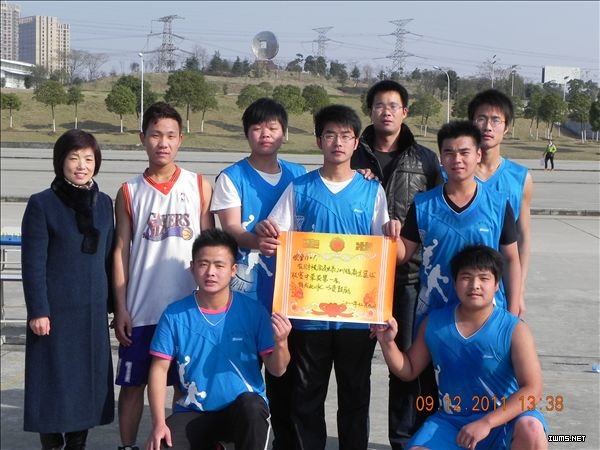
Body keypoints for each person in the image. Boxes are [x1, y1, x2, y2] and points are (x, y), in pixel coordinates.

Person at [256, 104, 401, 450]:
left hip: (357, 318)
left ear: (356, 143)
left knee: (355, 397)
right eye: (330, 135)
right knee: (306, 397)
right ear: (319, 140)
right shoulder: (300, 189)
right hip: (309, 318)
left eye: (346, 136)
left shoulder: (372, 191)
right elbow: (276, 238)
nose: (338, 142)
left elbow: (381, 253)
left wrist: (392, 232)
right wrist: (267, 237)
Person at [371, 245, 547, 450]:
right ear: (454, 284)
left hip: (504, 419)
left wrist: (487, 422)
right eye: (466, 277)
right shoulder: (435, 323)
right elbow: (408, 370)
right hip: (452, 421)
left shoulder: (514, 329)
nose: (475, 285)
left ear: (497, 285)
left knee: (531, 429)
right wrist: (387, 342)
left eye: (484, 278)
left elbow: (533, 390)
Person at [113, 102, 214, 450]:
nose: (163, 143)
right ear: (142, 137)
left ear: (181, 139)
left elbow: (211, 251)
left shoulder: (199, 185)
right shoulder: (129, 191)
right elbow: (120, 251)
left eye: (170, 135)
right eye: (155, 135)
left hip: (188, 309)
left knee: (184, 386)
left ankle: (176, 443)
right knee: (133, 386)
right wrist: (121, 307)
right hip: (142, 309)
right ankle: (127, 446)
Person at [351, 80, 443, 449]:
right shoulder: (351, 153)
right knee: (354, 366)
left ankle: (402, 440)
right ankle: (354, 440)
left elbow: (438, 209)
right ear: (369, 110)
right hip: (357, 278)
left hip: (407, 278)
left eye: (393, 105)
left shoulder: (425, 160)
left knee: (403, 364)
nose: (386, 111)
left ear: (405, 111)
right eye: (379, 105)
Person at [210, 97, 306, 449]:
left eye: (272, 127)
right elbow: (232, 228)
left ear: (284, 133)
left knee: (286, 378)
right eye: (257, 128)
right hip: (246, 293)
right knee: (243, 374)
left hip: (289, 293)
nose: (265, 134)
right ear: (246, 133)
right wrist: (257, 241)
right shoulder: (232, 177)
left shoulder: (300, 175)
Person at [144, 229, 292, 450]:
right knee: (162, 444)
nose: (210, 272)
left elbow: (277, 369)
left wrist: (281, 342)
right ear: (192, 267)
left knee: (252, 407)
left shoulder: (254, 311)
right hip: (194, 412)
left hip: (240, 411)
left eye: (219, 265)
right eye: (203, 264)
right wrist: (158, 423)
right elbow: (159, 369)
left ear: (233, 270)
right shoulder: (174, 314)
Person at [21, 129, 115, 450]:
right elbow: (33, 263)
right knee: (52, 382)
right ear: (60, 161)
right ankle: (51, 443)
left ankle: (77, 444)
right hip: (55, 313)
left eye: (88, 158)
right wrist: (38, 310)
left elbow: (108, 258)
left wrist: (114, 307)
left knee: (86, 384)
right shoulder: (42, 204)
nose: (81, 165)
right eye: (74, 158)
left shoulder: (104, 204)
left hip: (91, 313)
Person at [396, 120, 521, 324]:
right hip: (434, 316)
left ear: (478, 155)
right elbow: (402, 254)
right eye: (449, 153)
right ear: (441, 158)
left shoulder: (498, 204)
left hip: (487, 317)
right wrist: (390, 235)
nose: (457, 160)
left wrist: (513, 312)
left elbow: (511, 259)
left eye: (464, 153)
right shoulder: (422, 205)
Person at [468, 89, 532, 317]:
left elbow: (523, 237)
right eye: (481, 118)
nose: (488, 126)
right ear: (471, 123)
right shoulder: (450, 174)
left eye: (496, 120)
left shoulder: (520, 178)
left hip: (501, 288)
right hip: (462, 282)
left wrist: (519, 290)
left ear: (506, 127)